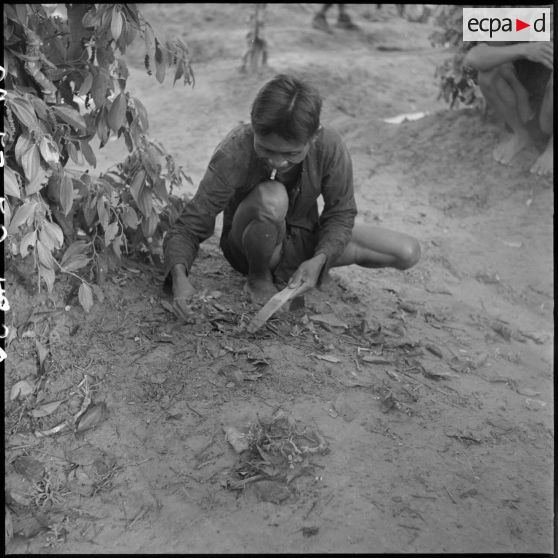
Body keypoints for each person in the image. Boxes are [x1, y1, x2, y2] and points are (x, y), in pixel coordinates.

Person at [164, 74, 420, 319]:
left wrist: (320, 259)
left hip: (304, 244)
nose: (276, 161)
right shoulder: (235, 150)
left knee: (406, 252)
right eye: (265, 149)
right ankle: (259, 278)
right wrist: (179, 279)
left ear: (314, 136)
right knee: (272, 197)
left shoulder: (329, 145)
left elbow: (341, 215)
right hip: (248, 246)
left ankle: (303, 269)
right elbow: (190, 224)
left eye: (290, 154)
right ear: (252, 125)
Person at [464, 41, 553, 176]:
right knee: (488, 74)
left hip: (549, 108)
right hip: (525, 106)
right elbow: (474, 58)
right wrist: (526, 49)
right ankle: (521, 135)